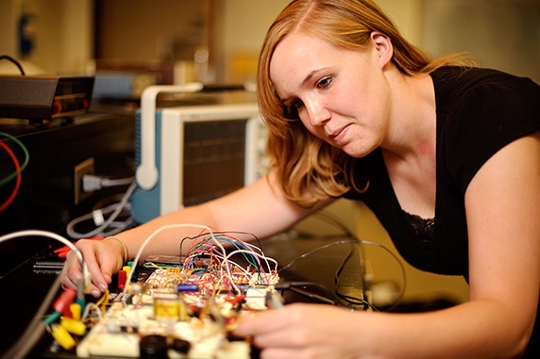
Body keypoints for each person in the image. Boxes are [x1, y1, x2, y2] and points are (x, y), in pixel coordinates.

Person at [62, 0, 540, 357]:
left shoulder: (487, 112)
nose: (316, 117)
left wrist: (354, 336)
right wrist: (120, 247)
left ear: (380, 48)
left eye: (324, 82)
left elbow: (509, 325)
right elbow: (217, 217)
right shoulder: (351, 147)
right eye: (297, 104)